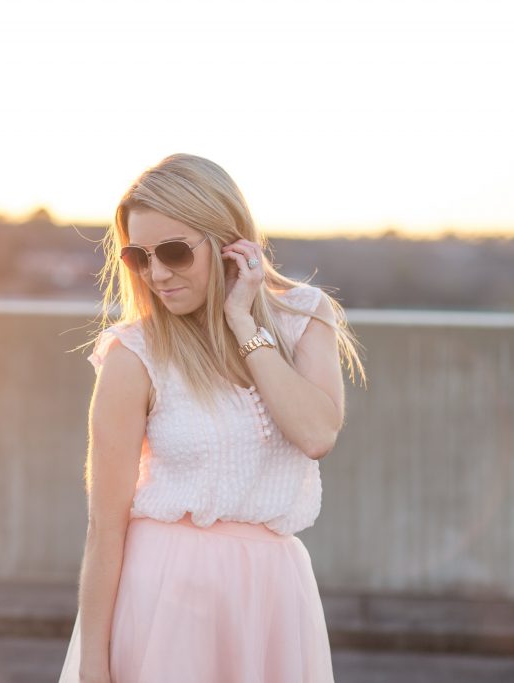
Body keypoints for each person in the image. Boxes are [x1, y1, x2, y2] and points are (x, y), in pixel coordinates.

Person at [57, 153, 367, 682]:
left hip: (272, 597)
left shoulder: (303, 316)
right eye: (139, 257)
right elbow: (104, 526)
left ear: (229, 242)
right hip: (164, 598)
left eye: (175, 252)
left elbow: (317, 433)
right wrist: (93, 665)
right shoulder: (133, 355)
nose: (157, 274)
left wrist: (242, 321)